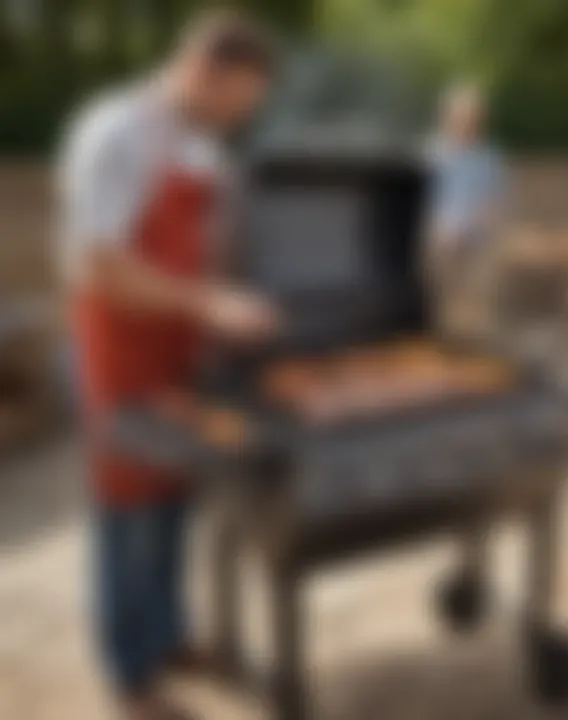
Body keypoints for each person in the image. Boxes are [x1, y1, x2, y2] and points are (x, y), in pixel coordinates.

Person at [57, 9, 278, 719]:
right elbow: (100, 268)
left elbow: (207, 250)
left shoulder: (199, 148)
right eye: (238, 99)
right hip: (119, 349)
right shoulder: (114, 131)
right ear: (203, 71)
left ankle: (170, 637)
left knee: (176, 496)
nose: (240, 116)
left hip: (180, 349)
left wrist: (238, 305)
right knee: (127, 508)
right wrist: (209, 304)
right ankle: (130, 677)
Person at [425, 83, 509, 340]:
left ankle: (477, 349)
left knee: (478, 312)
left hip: (479, 243)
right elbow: (422, 201)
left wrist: (468, 226)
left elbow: (496, 202)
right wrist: (440, 229)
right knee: (437, 309)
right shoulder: (430, 154)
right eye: (460, 116)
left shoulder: (490, 158)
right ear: (447, 117)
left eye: (472, 117)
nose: (465, 123)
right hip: (438, 242)